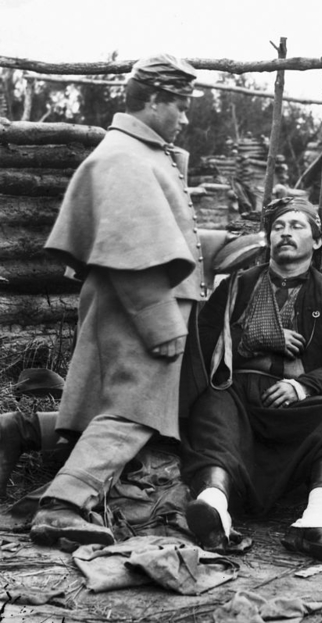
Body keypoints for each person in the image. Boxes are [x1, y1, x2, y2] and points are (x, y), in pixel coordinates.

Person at [28, 54, 231, 546]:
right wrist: (161, 322)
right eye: (180, 105)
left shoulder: (137, 152)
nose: (184, 116)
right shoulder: (123, 157)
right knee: (131, 411)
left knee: (112, 404)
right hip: (139, 307)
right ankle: (63, 506)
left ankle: (27, 438)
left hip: (132, 304)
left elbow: (151, 233)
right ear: (155, 100)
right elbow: (128, 252)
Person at [180, 196, 322, 564]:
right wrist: (253, 337)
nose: (285, 233)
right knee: (211, 405)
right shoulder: (238, 287)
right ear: (269, 238)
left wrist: (303, 386)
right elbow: (200, 344)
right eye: (278, 227)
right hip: (235, 396)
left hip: (290, 411)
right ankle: (215, 508)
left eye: (296, 227)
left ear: (315, 242)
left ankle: (314, 523)